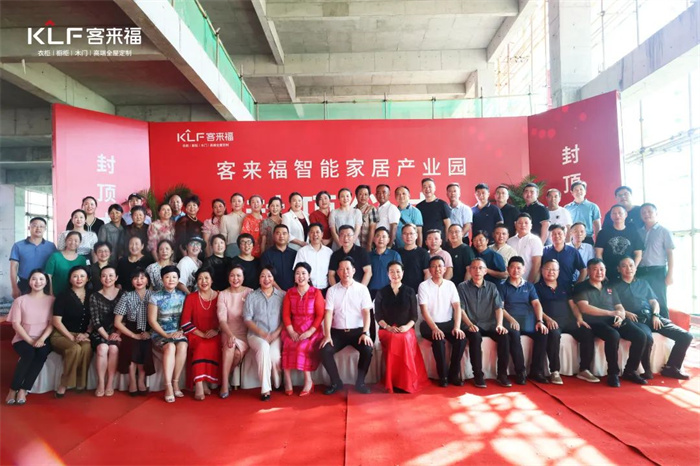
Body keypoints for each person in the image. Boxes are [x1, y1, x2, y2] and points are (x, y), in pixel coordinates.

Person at [574, 258, 649, 387]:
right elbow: (584, 308)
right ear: (589, 271)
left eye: (602, 269)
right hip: (594, 321)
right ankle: (613, 373)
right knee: (613, 335)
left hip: (614, 318)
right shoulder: (581, 287)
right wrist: (611, 313)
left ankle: (630, 371)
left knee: (640, 336)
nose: (599, 272)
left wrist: (620, 315)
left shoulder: (609, 286)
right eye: (595, 269)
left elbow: (619, 306)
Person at [614, 257, 691, 380]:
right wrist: (626, 313)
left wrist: (656, 315)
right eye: (624, 266)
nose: (628, 268)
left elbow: (654, 302)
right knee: (647, 337)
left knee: (686, 336)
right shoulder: (614, 286)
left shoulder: (643, 283)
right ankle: (645, 370)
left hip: (652, 316)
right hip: (635, 319)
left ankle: (672, 367)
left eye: (631, 265)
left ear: (635, 268)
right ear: (618, 269)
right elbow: (613, 305)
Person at [535, 260, 599, 383]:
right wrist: (547, 319)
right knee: (554, 334)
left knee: (587, 331)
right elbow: (536, 307)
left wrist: (579, 318)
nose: (551, 272)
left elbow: (573, 305)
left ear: (558, 272)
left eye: (554, 269)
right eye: (548, 269)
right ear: (542, 270)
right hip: (551, 321)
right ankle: (555, 371)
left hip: (568, 320)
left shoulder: (565, 286)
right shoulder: (536, 287)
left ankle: (584, 369)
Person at [458, 258, 516, 388]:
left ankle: (502, 375)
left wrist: (499, 324)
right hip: (471, 324)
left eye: (480, 268)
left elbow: (498, 307)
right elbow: (460, 309)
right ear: (470, 270)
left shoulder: (492, 287)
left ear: (485, 271)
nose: (477, 271)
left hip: (489, 324)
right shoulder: (462, 287)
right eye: (474, 268)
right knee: (475, 337)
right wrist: (469, 324)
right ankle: (478, 375)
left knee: (504, 336)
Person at [320, 257, 374, 395]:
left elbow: (366, 312)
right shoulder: (332, 290)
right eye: (342, 269)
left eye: (348, 269)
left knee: (367, 349)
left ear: (354, 270)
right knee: (325, 350)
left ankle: (360, 383)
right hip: (337, 332)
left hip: (358, 332)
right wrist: (327, 335)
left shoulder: (362, 289)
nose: (345, 272)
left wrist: (365, 332)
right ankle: (336, 382)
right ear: (338, 272)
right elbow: (328, 313)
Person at [375, 261, 429, 393]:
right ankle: (394, 381)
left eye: (398, 271)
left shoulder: (410, 291)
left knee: (403, 338)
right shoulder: (381, 292)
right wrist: (388, 327)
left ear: (403, 273)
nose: (395, 274)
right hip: (386, 330)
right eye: (392, 272)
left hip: (406, 329)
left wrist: (406, 327)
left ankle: (405, 382)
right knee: (394, 338)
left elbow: (414, 316)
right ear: (387, 274)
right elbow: (378, 316)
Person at [498, 257, 550, 384]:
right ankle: (520, 372)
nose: (515, 270)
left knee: (543, 333)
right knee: (514, 334)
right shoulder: (502, 286)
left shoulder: (529, 286)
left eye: (519, 268)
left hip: (528, 321)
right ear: (507, 269)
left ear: (523, 270)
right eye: (512, 267)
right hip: (510, 321)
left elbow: (536, 304)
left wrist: (540, 321)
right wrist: (511, 320)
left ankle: (536, 371)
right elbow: (500, 308)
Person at [5, 269, 53, 405]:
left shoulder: (52, 300)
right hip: (23, 338)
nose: (37, 282)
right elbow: (16, 324)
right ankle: (13, 389)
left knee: (42, 354)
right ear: (29, 281)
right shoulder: (20, 300)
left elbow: (52, 324)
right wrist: (30, 340)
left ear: (46, 282)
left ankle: (24, 389)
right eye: (34, 279)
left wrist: (41, 339)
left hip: (43, 338)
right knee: (29, 353)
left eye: (41, 279)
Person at [418, 256, 467, 387]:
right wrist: (434, 328)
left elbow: (457, 307)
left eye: (440, 266)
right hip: (429, 325)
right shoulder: (423, 286)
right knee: (438, 340)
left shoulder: (450, 285)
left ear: (445, 269)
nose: (437, 269)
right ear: (429, 270)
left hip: (447, 323)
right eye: (433, 266)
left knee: (461, 339)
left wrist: (457, 327)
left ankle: (453, 374)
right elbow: (424, 311)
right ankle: (443, 376)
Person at [281, 262, 325, 396]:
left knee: (302, 346)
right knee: (287, 344)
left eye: (303, 273)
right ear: (294, 277)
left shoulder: (316, 293)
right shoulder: (290, 293)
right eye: (297, 273)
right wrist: (291, 331)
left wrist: (310, 332)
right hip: (293, 328)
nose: (300, 276)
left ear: (309, 276)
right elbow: (286, 315)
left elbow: (320, 315)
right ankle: (287, 381)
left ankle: (308, 381)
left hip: (312, 329)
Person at [50, 265, 92, 397]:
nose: (79, 279)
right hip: (61, 334)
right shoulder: (63, 296)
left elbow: (94, 320)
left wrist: (86, 334)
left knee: (86, 347)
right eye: (75, 276)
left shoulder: (92, 296)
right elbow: (56, 321)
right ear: (70, 279)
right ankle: (64, 384)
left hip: (81, 334)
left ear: (87, 279)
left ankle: (80, 382)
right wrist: (71, 337)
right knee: (75, 348)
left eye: (82, 276)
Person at [244, 266, 285, 401]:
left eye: (269, 276)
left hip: (276, 335)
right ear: (259, 279)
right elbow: (247, 319)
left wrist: (275, 334)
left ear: (273, 279)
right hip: (255, 336)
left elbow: (285, 319)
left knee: (274, 357)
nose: (266, 279)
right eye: (263, 276)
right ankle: (265, 389)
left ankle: (277, 383)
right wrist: (262, 333)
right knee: (263, 347)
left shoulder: (282, 296)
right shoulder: (252, 296)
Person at [148, 265, 188, 402]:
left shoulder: (183, 296)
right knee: (170, 347)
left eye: (174, 277)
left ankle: (176, 382)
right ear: (162, 279)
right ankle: (168, 385)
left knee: (182, 346)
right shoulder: (155, 297)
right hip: (159, 333)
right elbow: (152, 321)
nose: (171, 280)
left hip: (177, 332)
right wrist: (166, 335)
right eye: (167, 277)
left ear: (178, 279)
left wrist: (181, 331)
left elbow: (186, 318)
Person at [181, 267, 221, 400]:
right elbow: (185, 322)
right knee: (201, 346)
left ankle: (205, 382)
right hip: (195, 333)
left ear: (212, 280)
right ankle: (199, 384)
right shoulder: (191, 297)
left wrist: (216, 330)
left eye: (206, 278)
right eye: (200, 279)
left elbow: (225, 319)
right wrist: (201, 334)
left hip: (214, 333)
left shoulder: (220, 296)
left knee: (213, 344)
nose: (204, 281)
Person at [114, 268, 155, 395]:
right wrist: (133, 335)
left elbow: (158, 319)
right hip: (130, 329)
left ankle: (141, 380)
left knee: (144, 346)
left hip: (149, 328)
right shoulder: (126, 296)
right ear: (132, 282)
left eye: (142, 278)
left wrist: (150, 332)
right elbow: (117, 322)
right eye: (136, 278)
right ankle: (132, 380)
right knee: (132, 346)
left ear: (147, 281)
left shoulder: (154, 296)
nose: (139, 281)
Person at [217, 265, 253, 397]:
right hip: (228, 331)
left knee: (237, 354)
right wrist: (230, 334)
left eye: (238, 275)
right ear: (228, 278)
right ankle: (224, 385)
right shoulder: (223, 294)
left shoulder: (250, 292)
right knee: (230, 345)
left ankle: (224, 377)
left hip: (244, 334)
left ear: (243, 277)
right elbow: (222, 320)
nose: (235, 278)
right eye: (232, 275)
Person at [89, 265, 124, 397]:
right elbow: (96, 321)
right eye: (104, 276)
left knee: (113, 349)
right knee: (102, 348)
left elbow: (125, 318)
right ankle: (101, 383)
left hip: (118, 331)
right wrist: (107, 337)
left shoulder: (123, 294)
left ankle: (110, 383)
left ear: (116, 278)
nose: (107, 278)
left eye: (110, 275)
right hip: (100, 332)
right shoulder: (94, 296)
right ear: (100, 278)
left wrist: (117, 334)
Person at [637, 203, 674, 318]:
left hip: (657, 271)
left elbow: (670, 254)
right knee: (643, 300)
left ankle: (666, 325)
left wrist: (670, 274)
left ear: (656, 213)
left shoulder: (664, 231)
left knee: (660, 300)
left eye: (649, 211)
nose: (646, 214)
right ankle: (649, 325)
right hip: (640, 271)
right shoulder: (638, 232)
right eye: (643, 212)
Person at [9, 216, 56, 298]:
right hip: (24, 284)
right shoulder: (18, 245)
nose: (38, 228)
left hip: (44, 284)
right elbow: (13, 267)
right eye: (35, 225)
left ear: (45, 229)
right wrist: (14, 287)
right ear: (29, 228)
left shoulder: (51, 246)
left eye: (41, 226)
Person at [595, 204, 644, 282]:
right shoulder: (603, 232)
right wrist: (602, 270)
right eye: (614, 213)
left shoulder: (633, 232)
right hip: (609, 272)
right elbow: (598, 253)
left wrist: (633, 269)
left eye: (620, 213)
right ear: (610, 216)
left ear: (626, 214)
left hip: (628, 272)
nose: (617, 215)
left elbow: (638, 254)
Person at [45, 231, 88, 296]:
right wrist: (51, 293)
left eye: (76, 240)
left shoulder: (82, 259)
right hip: (57, 294)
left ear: (80, 243)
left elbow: (84, 278)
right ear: (65, 241)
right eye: (70, 240)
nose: (73, 242)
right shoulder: (55, 256)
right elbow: (48, 276)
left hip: (76, 296)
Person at [294, 223, 333, 293]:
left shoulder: (329, 252)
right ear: (309, 235)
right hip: (307, 290)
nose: (315, 234)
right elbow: (297, 272)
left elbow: (331, 273)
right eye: (312, 232)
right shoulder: (302, 252)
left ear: (322, 234)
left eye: (317, 232)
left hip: (325, 290)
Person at [506, 213, 543, 283]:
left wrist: (529, 283)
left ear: (531, 225)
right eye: (520, 223)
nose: (523, 225)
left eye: (526, 223)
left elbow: (537, 264)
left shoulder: (535, 240)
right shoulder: (510, 241)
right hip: (511, 281)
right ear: (515, 225)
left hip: (528, 280)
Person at [260, 224, 297, 291]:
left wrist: (292, 292)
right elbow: (266, 276)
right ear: (273, 236)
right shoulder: (266, 255)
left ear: (288, 236)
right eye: (278, 233)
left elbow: (298, 273)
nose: (281, 236)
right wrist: (280, 292)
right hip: (273, 292)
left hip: (293, 292)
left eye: (284, 233)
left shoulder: (295, 254)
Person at [368, 227, 402, 298]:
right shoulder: (368, 256)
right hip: (371, 292)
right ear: (373, 239)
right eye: (378, 236)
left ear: (388, 240)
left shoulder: (394, 255)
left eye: (384, 237)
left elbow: (399, 274)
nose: (381, 239)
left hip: (389, 291)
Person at [396, 224, 430, 292]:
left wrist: (424, 289)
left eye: (411, 233)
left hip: (418, 291)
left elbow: (427, 273)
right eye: (405, 234)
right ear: (402, 236)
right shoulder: (397, 253)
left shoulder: (423, 253)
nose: (408, 236)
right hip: (400, 291)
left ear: (416, 235)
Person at [220, 193, 246, 258]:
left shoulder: (247, 217)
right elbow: (223, 236)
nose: (237, 203)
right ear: (231, 204)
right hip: (231, 249)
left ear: (243, 204)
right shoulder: (225, 218)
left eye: (239, 201)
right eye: (234, 201)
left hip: (246, 248)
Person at [355, 184, 378, 251]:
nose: (363, 197)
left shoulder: (372, 209)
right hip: (355, 245)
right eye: (360, 194)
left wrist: (369, 245)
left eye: (366, 194)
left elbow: (373, 228)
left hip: (367, 246)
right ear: (356, 196)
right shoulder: (353, 210)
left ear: (368, 197)